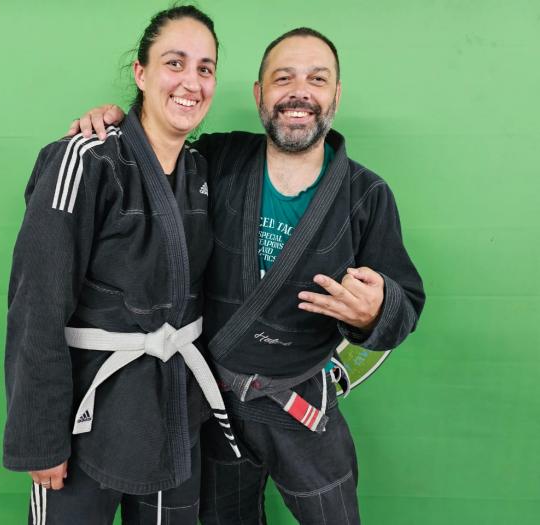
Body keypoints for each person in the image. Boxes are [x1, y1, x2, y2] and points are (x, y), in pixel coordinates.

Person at [68, 26, 425, 525]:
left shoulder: (366, 195)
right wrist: (115, 121)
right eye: (283, 78)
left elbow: (406, 303)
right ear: (259, 95)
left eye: (317, 79)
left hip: (301, 405)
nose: (299, 92)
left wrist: (377, 311)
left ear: (336, 95)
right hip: (215, 403)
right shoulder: (217, 160)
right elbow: (156, 144)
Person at [3, 6, 242, 525]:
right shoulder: (86, 160)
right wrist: (40, 437)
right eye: (174, 63)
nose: (192, 82)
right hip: (85, 418)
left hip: (173, 410)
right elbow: (36, 303)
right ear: (141, 72)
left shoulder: (202, 171)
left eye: (205, 68)